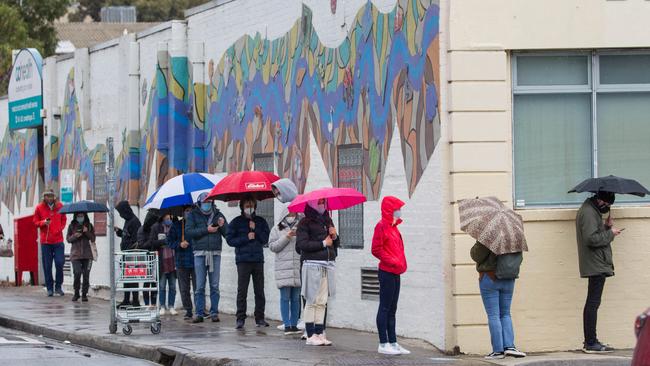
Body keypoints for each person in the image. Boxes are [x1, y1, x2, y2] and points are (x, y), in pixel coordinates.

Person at [576, 191, 621, 353]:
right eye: (607, 205)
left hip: (597, 262)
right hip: (596, 263)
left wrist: (605, 227)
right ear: (601, 200)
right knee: (593, 303)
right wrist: (610, 233)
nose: (607, 208)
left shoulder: (591, 210)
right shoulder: (588, 212)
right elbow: (591, 239)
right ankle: (590, 342)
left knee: (593, 303)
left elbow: (594, 233)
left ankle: (591, 341)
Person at [471, 241, 526, 359]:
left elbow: (476, 255)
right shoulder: (514, 234)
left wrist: (477, 244)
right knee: (506, 313)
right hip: (508, 278)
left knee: (493, 315)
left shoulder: (489, 234)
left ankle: (498, 351)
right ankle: (509, 346)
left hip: (490, 277)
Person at [296, 198, 339, 346]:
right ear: (312, 204)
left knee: (322, 301)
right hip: (312, 265)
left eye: (323, 202)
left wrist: (335, 236)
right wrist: (322, 243)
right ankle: (310, 334)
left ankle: (320, 332)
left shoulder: (328, 221)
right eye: (319, 202)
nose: (322, 205)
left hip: (327, 265)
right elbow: (302, 244)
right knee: (311, 300)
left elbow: (335, 244)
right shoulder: (304, 222)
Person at [371, 196, 410, 355]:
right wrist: (393, 261)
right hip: (387, 271)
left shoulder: (394, 227)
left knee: (392, 308)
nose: (399, 211)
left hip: (396, 271)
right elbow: (376, 249)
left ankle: (393, 342)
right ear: (390, 209)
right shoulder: (381, 226)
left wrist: (400, 263)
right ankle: (383, 342)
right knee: (385, 307)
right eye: (397, 208)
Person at [227, 196, 271, 330]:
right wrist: (246, 238)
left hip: (257, 259)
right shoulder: (236, 222)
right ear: (242, 206)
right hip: (243, 260)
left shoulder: (261, 221)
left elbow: (265, 239)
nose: (249, 207)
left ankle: (260, 318)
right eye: (247, 205)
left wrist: (255, 230)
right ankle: (240, 318)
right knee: (242, 291)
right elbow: (230, 240)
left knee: (259, 290)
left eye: (251, 204)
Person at [186, 192, 228, 323]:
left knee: (214, 285)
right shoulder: (193, 215)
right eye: (204, 202)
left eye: (209, 202)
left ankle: (214, 312)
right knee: (199, 285)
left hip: (215, 253)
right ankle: (199, 313)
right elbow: (189, 232)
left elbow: (227, 233)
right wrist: (206, 230)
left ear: (212, 202)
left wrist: (223, 225)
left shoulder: (218, 214)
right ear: (199, 203)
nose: (206, 204)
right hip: (199, 253)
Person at [268, 203, 303, 335]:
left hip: (297, 266)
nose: (292, 215)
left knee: (295, 297)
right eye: (289, 212)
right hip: (283, 268)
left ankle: (294, 324)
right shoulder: (276, 229)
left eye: (294, 213)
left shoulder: (300, 227)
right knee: (285, 297)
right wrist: (287, 237)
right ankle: (286, 324)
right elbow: (273, 246)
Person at [33, 190, 67, 297]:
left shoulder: (60, 206)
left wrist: (59, 229)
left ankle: (58, 286)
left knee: (59, 262)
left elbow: (64, 219)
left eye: (51, 196)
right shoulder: (39, 208)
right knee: (47, 266)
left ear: (54, 197)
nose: (49, 198)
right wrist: (43, 222)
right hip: (46, 242)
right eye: (47, 196)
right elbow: (35, 222)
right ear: (44, 197)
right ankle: (49, 288)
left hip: (58, 241)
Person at [169, 206, 196, 320]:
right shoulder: (176, 226)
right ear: (183, 212)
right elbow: (169, 241)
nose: (188, 213)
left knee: (198, 287)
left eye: (190, 210)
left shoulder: (197, 224)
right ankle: (188, 310)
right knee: (184, 288)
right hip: (181, 261)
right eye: (186, 211)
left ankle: (200, 309)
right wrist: (179, 244)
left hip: (195, 260)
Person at [115, 200, 142, 308]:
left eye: (121, 212)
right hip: (126, 254)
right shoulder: (128, 221)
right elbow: (127, 235)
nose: (121, 215)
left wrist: (130, 249)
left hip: (132, 254)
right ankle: (126, 299)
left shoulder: (135, 222)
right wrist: (119, 232)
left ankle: (135, 301)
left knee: (133, 277)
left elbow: (136, 239)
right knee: (127, 278)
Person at [149, 213, 178, 315]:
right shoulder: (156, 227)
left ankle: (171, 306)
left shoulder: (175, 226)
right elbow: (152, 242)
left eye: (170, 216)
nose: (168, 218)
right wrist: (163, 241)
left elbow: (178, 240)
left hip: (173, 260)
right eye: (166, 216)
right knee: (162, 285)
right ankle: (162, 306)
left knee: (173, 285)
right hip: (162, 260)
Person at [66, 213, 95, 302]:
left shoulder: (89, 226)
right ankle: (76, 293)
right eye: (78, 216)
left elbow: (93, 239)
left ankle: (84, 294)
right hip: (76, 255)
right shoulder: (71, 226)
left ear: (85, 216)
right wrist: (75, 236)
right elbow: (68, 239)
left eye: (82, 216)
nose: (80, 218)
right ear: (75, 216)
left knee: (86, 275)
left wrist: (86, 231)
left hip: (87, 254)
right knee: (77, 273)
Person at [137, 209, 160, 307]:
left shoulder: (155, 228)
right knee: (147, 282)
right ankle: (147, 304)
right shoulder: (142, 230)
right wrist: (151, 241)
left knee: (155, 282)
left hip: (156, 257)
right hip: (146, 259)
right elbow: (141, 245)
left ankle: (154, 304)